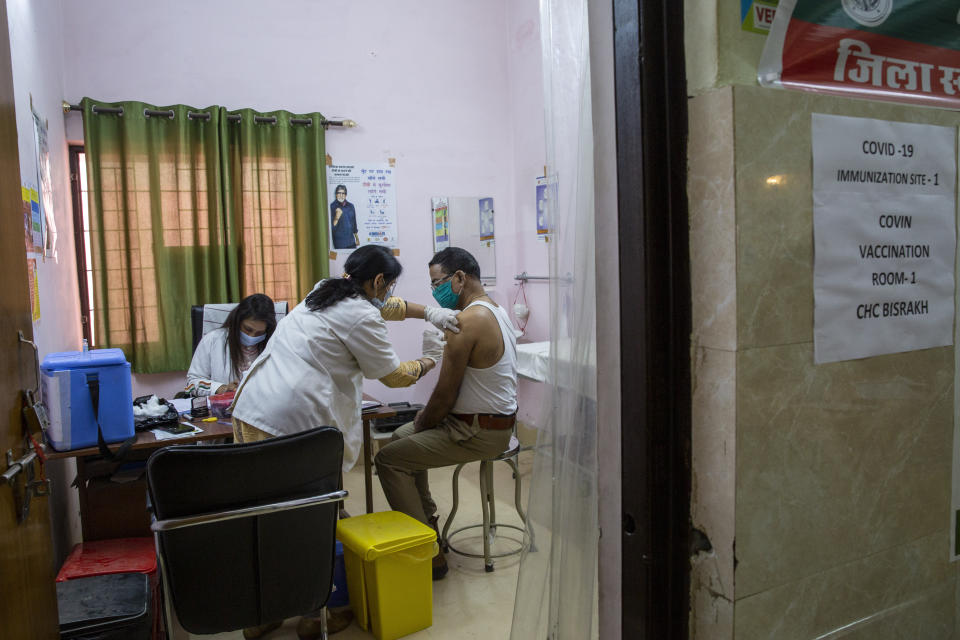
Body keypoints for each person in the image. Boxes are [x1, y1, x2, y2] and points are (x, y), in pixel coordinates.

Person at [230, 245, 450, 638]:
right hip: (294, 426)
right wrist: (430, 358)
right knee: (317, 517)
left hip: (252, 410)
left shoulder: (324, 290)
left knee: (267, 516)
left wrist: (429, 312)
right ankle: (320, 614)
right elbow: (394, 376)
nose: (388, 293)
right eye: (389, 284)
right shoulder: (362, 315)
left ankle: (264, 612)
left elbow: (390, 306)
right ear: (378, 280)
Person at [375, 247, 518, 581]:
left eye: (438, 282)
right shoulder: (495, 309)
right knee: (398, 438)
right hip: (487, 422)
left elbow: (443, 396)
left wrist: (423, 421)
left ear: (459, 278)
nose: (435, 292)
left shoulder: (466, 322)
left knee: (389, 459)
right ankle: (429, 529)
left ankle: (429, 552)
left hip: (479, 431)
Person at [184, 293, 277, 396]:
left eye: (259, 333)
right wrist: (221, 388)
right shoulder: (213, 340)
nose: (252, 336)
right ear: (237, 321)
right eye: (247, 329)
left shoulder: (274, 346)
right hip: (222, 408)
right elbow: (191, 384)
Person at [330, 184, 359, 249]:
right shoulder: (332, 206)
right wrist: (336, 217)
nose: (341, 195)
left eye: (343, 193)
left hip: (351, 241)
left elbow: (354, 224)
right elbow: (332, 228)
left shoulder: (351, 206)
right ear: (336, 194)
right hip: (339, 242)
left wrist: (357, 238)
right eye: (339, 193)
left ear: (345, 195)